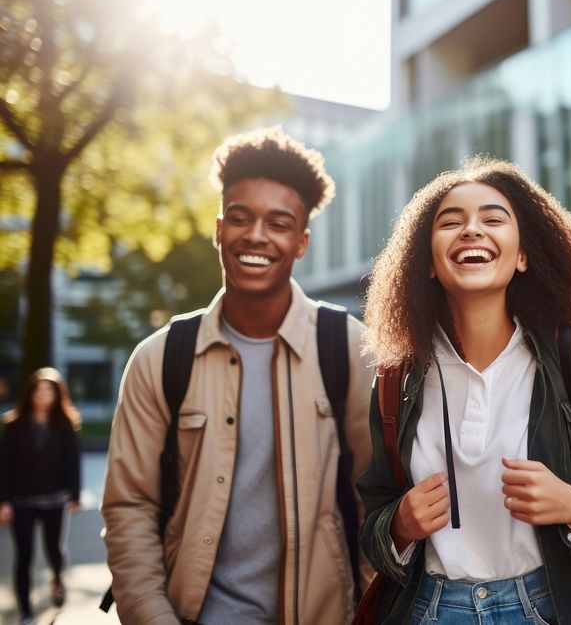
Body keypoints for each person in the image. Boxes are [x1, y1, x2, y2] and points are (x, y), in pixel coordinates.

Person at [358, 156, 571, 623]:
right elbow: (373, 517)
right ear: (430, 264)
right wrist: (399, 526)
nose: (471, 230)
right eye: (450, 222)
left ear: (522, 255)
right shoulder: (398, 377)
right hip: (430, 610)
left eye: (493, 218)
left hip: (547, 607)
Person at [101, 127, 374, 625]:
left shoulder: (349, 348)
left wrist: (367, 615)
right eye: (241, 218)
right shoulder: (160, 358)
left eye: (279, 223)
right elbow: (129, 507)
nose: (256, 236)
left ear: (301, 242)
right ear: (218, 228)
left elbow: (375, 500)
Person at [0, 367, 82, 625]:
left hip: (54, 500)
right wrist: (3, 502)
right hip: (21, 501)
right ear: (31, 393)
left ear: (58, 395)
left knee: (54, 551)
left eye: (50, 390)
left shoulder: (65, 425)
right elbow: (4, 466)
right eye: (39, 390)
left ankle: (57, 578)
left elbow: (72, 463)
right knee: (23, 557)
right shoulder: (14, 425)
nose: (44, 395)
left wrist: (75, 495)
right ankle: (26, 610)